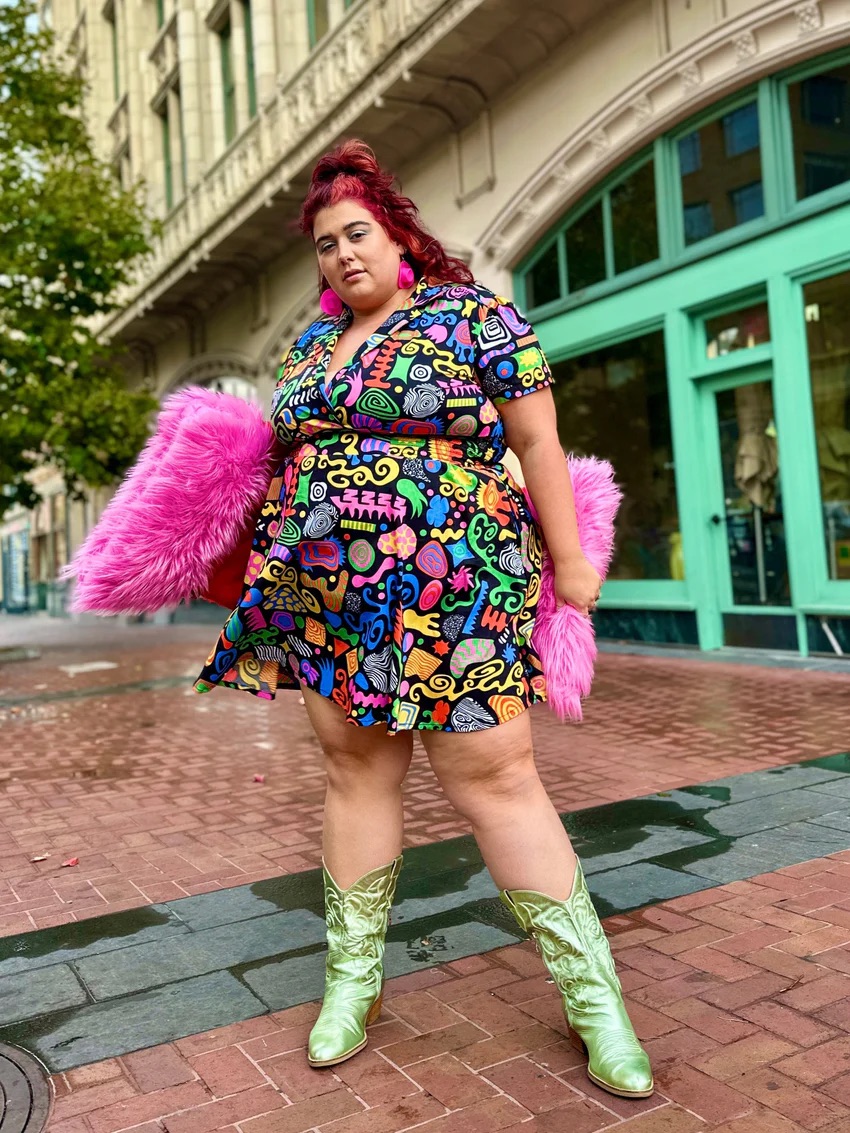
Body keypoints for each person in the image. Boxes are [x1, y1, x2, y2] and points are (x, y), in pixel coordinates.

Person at [194, 140, 652, 1099]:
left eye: (356, 233)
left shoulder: (472, 314)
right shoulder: (312, 347)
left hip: (456, 586)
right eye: (324, 245)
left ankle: (595, 997)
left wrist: (572, 563)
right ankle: (351, 982)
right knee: (354, 771)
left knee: (497, 775)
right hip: (326, 599)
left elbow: (538, 438)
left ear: (400, 232)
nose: (342, 255)